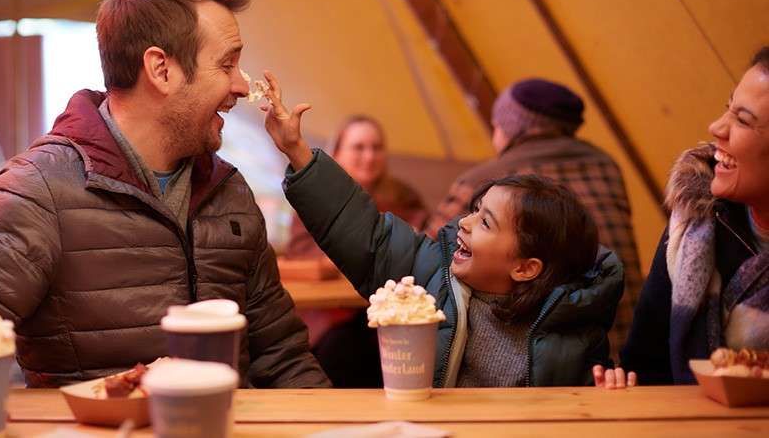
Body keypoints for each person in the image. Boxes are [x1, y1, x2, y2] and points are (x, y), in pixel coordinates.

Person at [0, 0, 329, 437]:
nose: (242, 86)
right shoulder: (39, 190)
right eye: (227, 65)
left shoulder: (229, 192)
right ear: (161, 69)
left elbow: (282, 356)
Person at [258, 71, 624, 387]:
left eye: (484, 222)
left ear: (526, 267)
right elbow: (366, 234)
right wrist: (298, 152)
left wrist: (608, 389)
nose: (462, 222)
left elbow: (587, 395)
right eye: (474, 210)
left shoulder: (573, 326)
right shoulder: (432, 277)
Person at [426, 78, 641, 360]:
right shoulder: (607, 166)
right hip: (629, 347)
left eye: (496, 125)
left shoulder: (491, 181)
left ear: (509, 129)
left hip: (535, 358)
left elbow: (428, 251)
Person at [597, 47, 769, 388]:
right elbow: (644, 365)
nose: (717, 128)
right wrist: (621, 387)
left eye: (743, 120)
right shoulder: (697, 222)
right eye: (727, 109)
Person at [281, 115, 427, 387]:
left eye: (376, 147)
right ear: (337, 152)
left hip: (390, 319)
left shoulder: (405, 198)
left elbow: (419, 248)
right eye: (359, 147)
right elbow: (302, 257)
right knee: (338, 349)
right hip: (330, 317)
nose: (369, 156)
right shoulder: (314, 199)